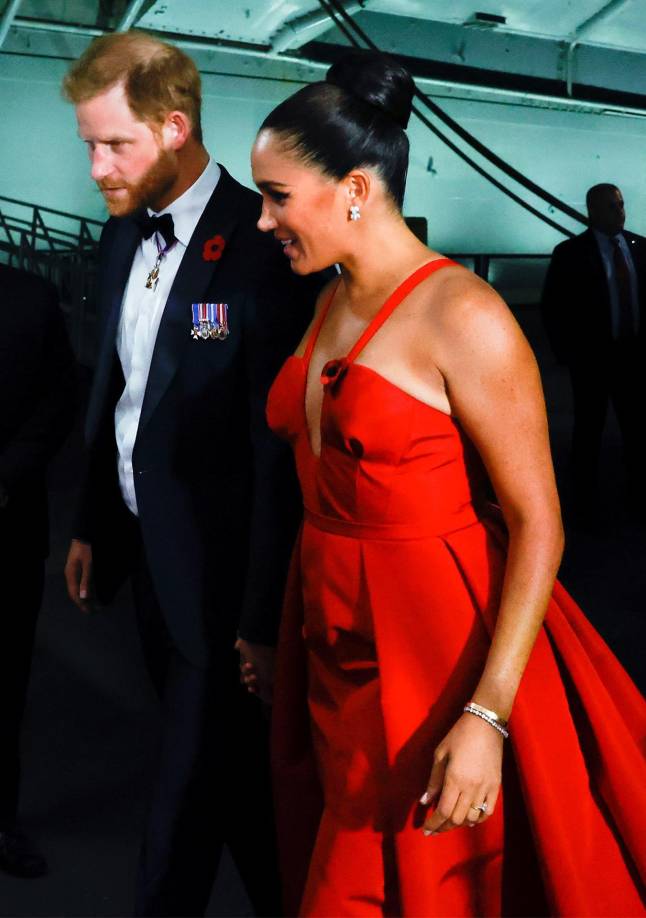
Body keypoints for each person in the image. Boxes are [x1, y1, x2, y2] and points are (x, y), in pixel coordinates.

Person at [247, 50, 646, 916]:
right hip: (330, 647)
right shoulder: (326, 300)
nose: (263, 221)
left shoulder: (465, 315)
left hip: (434, 659)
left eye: (277, 197)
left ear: (354, 187)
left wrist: (488, 717)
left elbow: (539, 522)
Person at [61, 32, 324, 917]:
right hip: (148, 558)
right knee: (232, 784)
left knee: (175, 811)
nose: (97, 166)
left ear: (175, 128)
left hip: (223, 589)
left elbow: (273, 453)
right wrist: (96, 520)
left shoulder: (260, 251)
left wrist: (260, 620)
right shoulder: (118, 232)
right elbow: (118, 388)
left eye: (114, 144)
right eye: (88, 145)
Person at [0, 263, 77, 877]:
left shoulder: (31, 297)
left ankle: (1, 823)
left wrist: (5, 476)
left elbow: (60, 399)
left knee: (5, 689)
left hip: (8, 528)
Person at [541, 183, 646, 513]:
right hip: (593, 360)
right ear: (593, 211)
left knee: (637, 431)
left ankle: (636, 499)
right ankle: (584, 504)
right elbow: (554, 307)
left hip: (634, 357)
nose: (621, 212)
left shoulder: (640, 248)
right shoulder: (570, 253)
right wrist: (568, 356)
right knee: (589, 431)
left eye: (621, 204)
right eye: (612, 206)